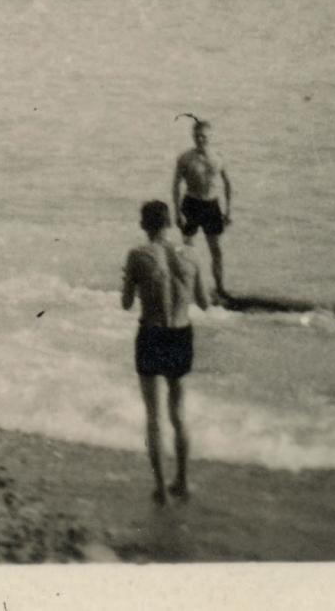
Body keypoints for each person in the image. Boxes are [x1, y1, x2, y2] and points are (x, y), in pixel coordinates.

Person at [121, 198, 211, 503]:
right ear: (170, 223)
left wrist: (131, 278)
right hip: (181, 334)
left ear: (143, 225)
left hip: (151, 333)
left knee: (153, 416)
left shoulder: (137, 255)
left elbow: (126, 303)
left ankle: (160, 489)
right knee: (178, 414)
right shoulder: (191, 254)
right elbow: (205, 302)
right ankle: (182, 482)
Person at [171, 117, 233, 297]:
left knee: (217, 250)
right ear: (193, 137)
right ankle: (187, 288)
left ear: (211, 137)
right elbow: (176, 185)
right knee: (187, 250)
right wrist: (177, 213)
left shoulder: (218, 157)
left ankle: (220, 288)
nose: (200, 140)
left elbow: (228, 184)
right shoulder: (185, 158)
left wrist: (228, 210)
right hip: (191, 203)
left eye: (204, 136)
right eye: (197, 136)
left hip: (211, 205)